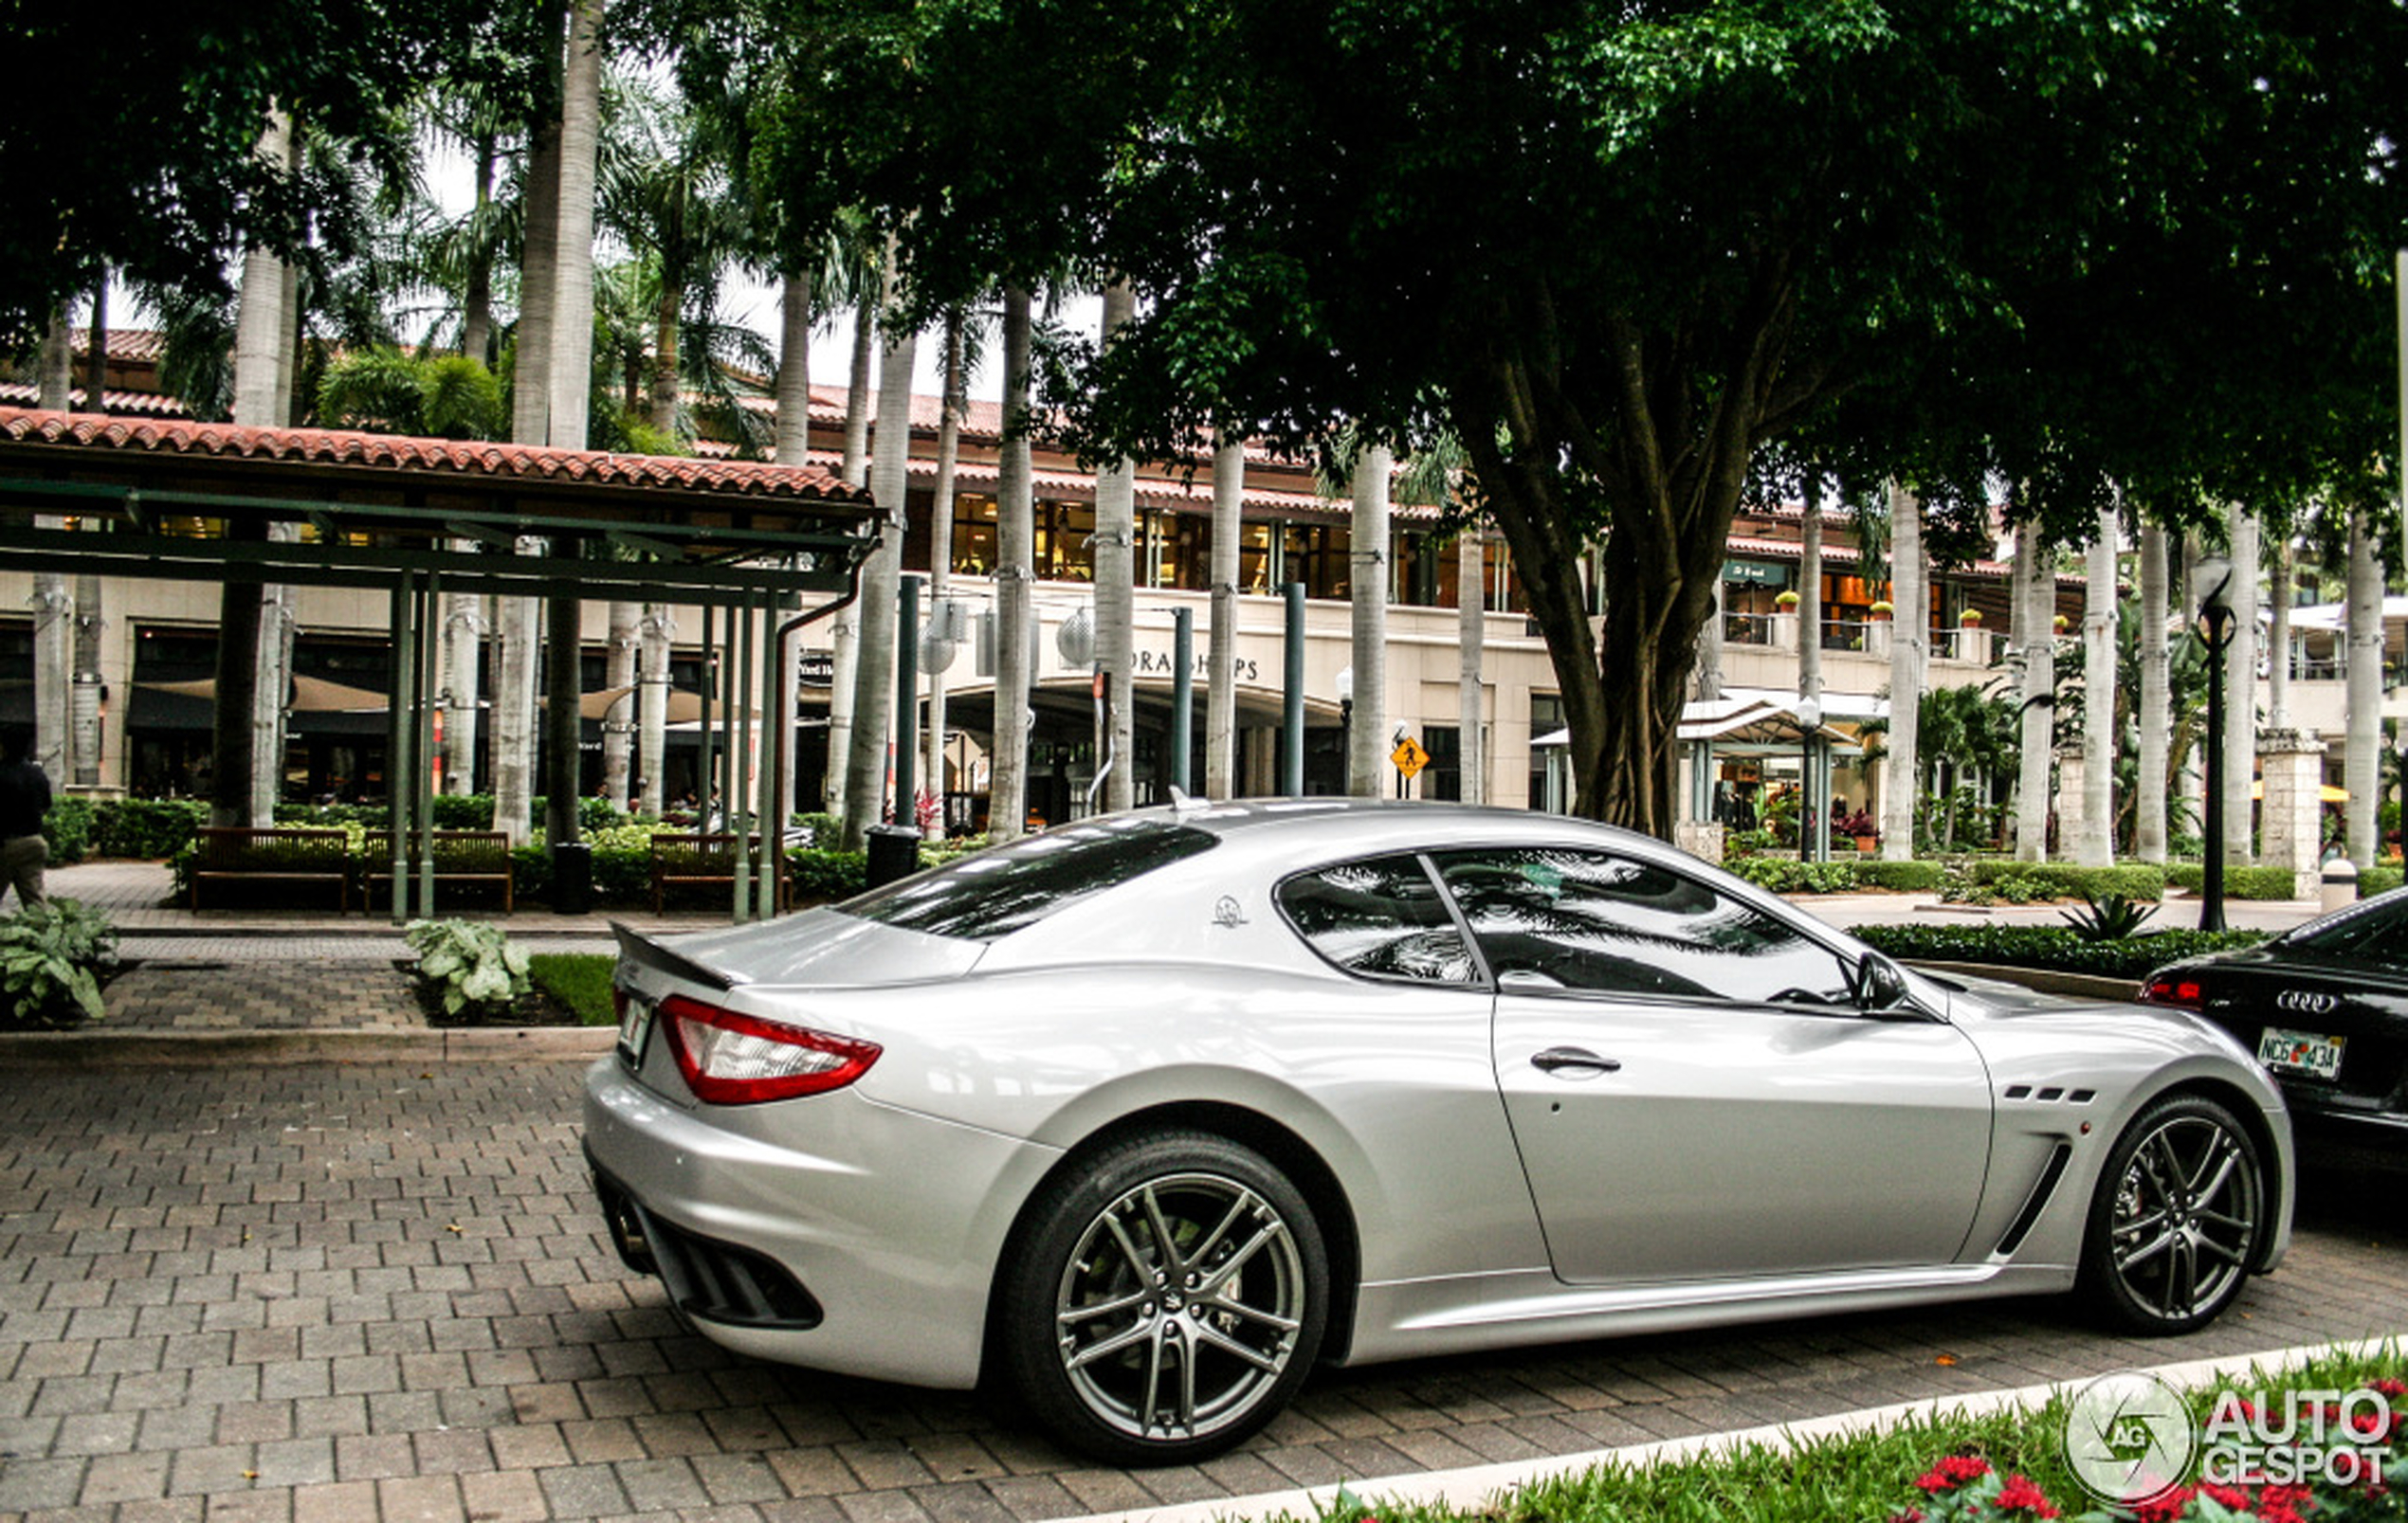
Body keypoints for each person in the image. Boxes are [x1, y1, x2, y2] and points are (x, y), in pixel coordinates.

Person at [0, 731, 53, 909]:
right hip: (33, 842)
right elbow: (46, 804)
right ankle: (44, 934)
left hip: (5, 843)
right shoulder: (37, 774)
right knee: (34, 898)